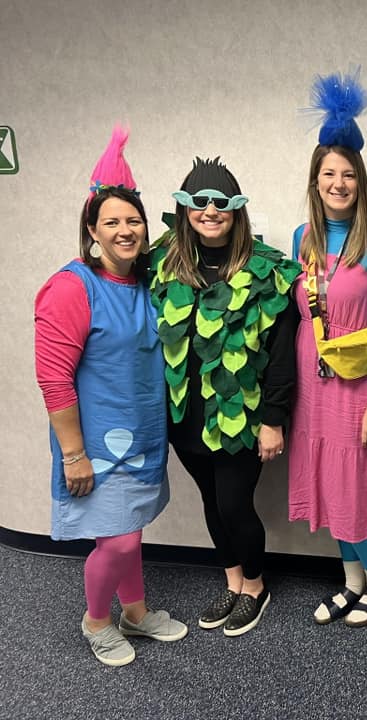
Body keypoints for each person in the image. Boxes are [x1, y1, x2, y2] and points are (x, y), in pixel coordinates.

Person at [35, 127, 187, 666]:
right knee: (116, 541)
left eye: (134, 220)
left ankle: (136, 613)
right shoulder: (72, 286)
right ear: (92, 231)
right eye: (113, 222)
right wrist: (73, 453)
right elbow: (53, 377)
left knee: (130, 531)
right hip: (96, 442)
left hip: (144, 433)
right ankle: (97, 621)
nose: (126, 230)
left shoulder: (148, 284)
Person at [151, 156, 301, 636]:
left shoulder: (267, 272)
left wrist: (274, 419)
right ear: (183, 208)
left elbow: (282, 357)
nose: (210, 210)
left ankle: (256, 586)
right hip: (184, 416)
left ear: (237, 211)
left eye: (221, 203)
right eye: (199, 201)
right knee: (211, 503)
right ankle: (232, 580)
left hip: (243, 417)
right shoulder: (164, 265)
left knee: (236, 503)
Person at [287, 68, 367, 628]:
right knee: (328, 484)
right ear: (315, 181)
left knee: (354, 485)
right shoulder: (300, 240)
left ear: (360, 183)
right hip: (313, 386)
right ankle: (352, 581)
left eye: (348, 175)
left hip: (360, 390)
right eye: (328, 174)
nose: (338, 183)